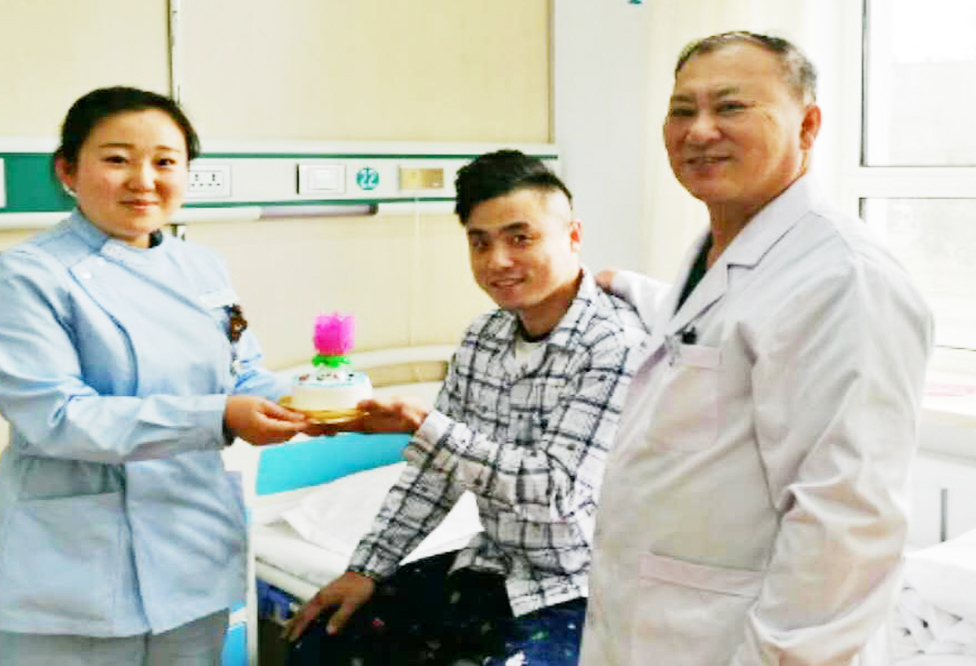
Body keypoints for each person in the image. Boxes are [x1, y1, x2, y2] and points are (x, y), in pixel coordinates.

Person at [579, 32, 934, 666]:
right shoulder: (717, 255)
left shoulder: (842, 279)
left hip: (745, 642)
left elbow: (845, 523)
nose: (699, 130)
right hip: (656, 626)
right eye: (682, 110)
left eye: (731, 106)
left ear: (809, 125)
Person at [284, 150, 658, 666]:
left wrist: (425, 426)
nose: (497, 261)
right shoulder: (484, 338)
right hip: (493, 565)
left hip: (586, 586)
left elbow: (557, 493)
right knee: (324, 640)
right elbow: (432, 474)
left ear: (573, 236)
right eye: (480, 243)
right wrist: (366, 568)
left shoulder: (615, 345)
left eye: (520, 238)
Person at [0, 86, 308, 665]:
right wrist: (219, 417)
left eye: (165, 161)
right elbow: (57, 417)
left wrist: (322, 404)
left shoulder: (201, 267)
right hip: (69, 570)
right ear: (68, 171)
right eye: (117, 159)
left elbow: (243, 374)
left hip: (191, 550)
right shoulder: (28, 274)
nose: (144, 180)